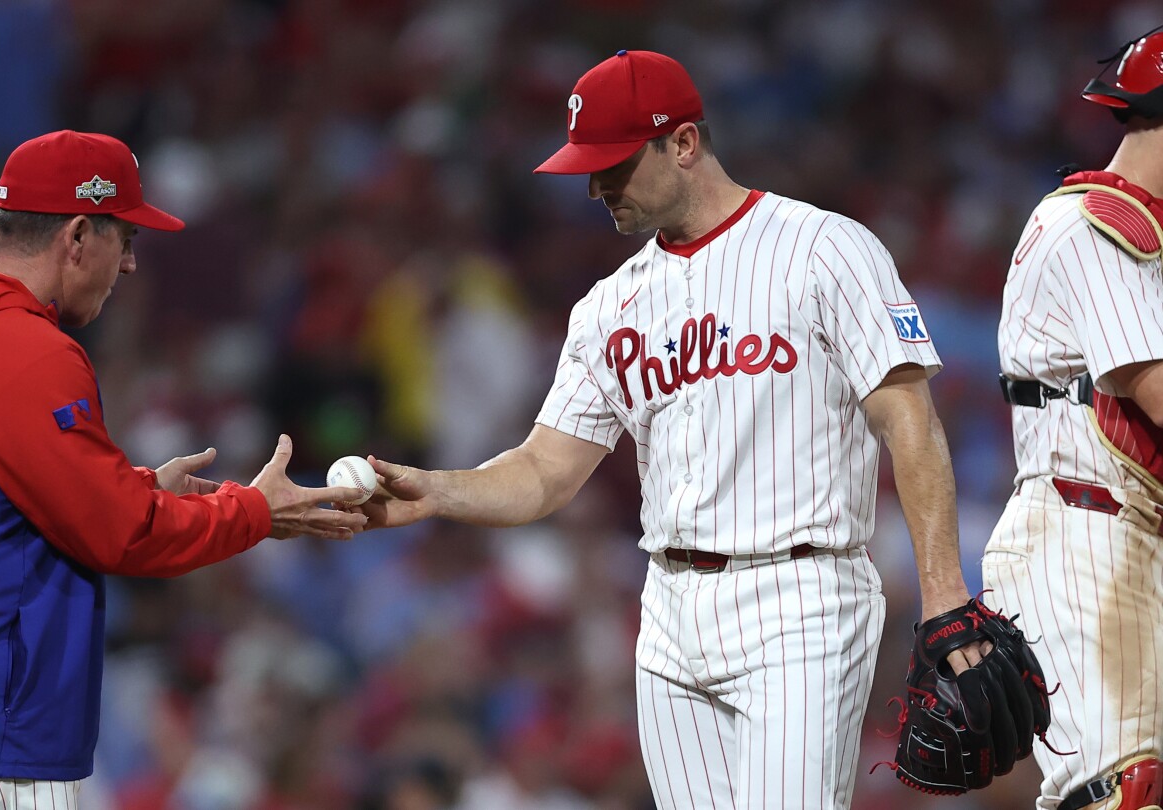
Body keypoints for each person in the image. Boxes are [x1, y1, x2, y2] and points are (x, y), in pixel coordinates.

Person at [353, 50, 988, 808]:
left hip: (802, 592)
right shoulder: (607, 308)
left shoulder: (823, 248)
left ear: (682, 144)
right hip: (670, 610)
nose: (594, 187)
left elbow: (908, 421)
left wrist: (946, 595)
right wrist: (440, 492)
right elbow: (547, 469)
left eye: (614, 164)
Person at [0, 130, 367, 809]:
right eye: (125, 240)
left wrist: (131, 486)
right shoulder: (24, 346)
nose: (131, 265)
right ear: (78, 237)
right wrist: (255, 511)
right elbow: (121, 534)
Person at [992, 25, 1163, 810]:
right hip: (1082, 534)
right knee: (1123, 791)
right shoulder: (1095, 225)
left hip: (1128, 538)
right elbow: (1152, 385)